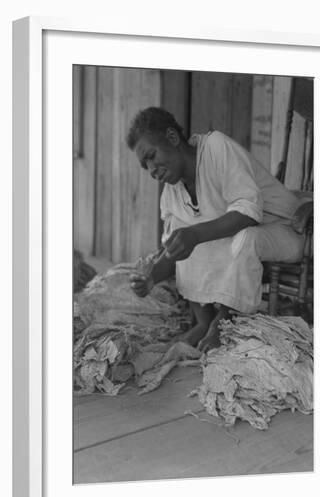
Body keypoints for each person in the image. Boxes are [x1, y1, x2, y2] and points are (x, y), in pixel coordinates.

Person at [127, 107, 304, 352]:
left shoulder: (216, 148)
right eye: (145, 166)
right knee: (183, 239)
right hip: (244, 239)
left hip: (288, 229)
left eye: (151, 156)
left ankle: (224, 321)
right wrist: (151, 278)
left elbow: (248, 211)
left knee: (239, 236)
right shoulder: (172, 192)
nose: (152, 170)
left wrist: (195, 234)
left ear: (172, 137)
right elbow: (172, 249)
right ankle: (204, 322)